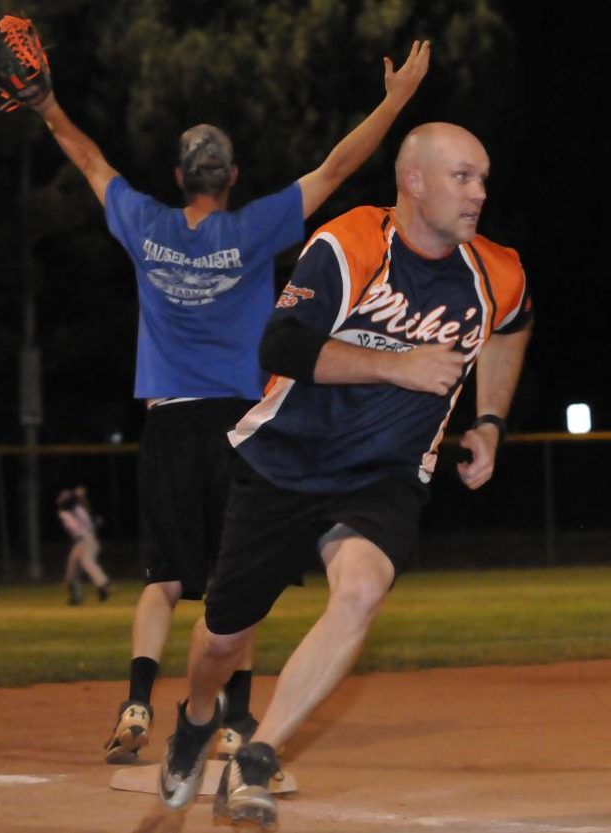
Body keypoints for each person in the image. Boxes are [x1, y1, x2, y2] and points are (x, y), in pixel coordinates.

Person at [29, 38, 430, 764]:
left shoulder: (147, 226)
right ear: (232, 176)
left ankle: (136, 702)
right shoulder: (253, 228)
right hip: (247, 428)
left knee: (164, 579)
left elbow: (88, 159)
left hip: (169, 421)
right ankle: (236, 722)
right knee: (236, 581)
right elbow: (338, 168)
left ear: (179, 176)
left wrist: (46, 103)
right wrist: (397, 99)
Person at [157, 121, 533, 825]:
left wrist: (490, 421)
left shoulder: (496, 271)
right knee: (223, 638)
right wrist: (401, 365)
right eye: (463, 176)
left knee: (360, 590)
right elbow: (282, 344)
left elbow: (512, 324)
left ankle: (257, 755)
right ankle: (196, 718)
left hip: (384, 474)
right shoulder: (352, 243)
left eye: (483, 178)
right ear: (414, 181)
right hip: (285, 460)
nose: (479, 192)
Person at [57, 486, 110, 605]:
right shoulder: (68, 512)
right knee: (71, 571)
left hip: (87, 540)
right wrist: (80, 497)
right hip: (80, 542)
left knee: (87, 562)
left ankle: (103, 584)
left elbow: (86, 524)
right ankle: (77, 596)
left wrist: (80, 498)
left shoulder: (76, 510)